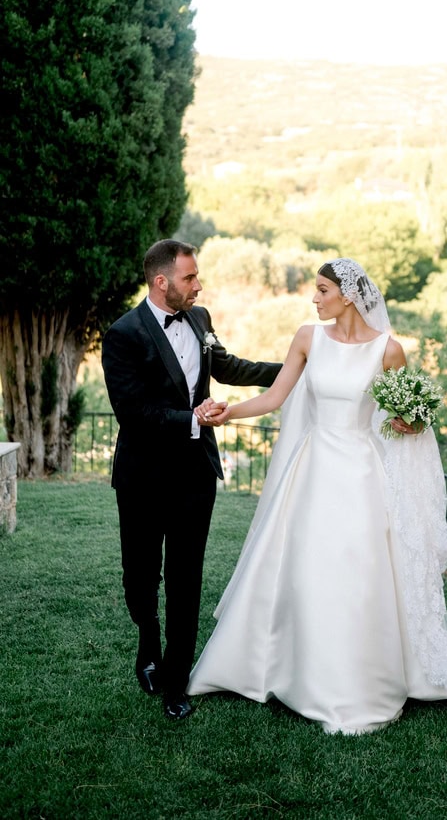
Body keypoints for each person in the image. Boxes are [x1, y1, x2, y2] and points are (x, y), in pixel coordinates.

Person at [187, 257, 447, 734]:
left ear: (348, 295)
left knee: (359, 572)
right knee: (306, 568)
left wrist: (409, 421)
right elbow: (274, 398)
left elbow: (400, 419)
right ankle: (291, 668)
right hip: (312, 471)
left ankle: (359, 682)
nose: (315, 298)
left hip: (363, 476)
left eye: (323, 290)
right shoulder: (308, 338)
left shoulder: (389, 351)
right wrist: (225, 413)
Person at [101, 239, 281, 721]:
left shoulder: (200, 320)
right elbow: (134, 413)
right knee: (141, 574)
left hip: (194, 474)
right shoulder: (123, 334)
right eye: (190, 278)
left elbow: (229, 367)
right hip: (142, 477)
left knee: (186, 576)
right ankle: (147, 644)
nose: (198, 285)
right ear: (162, 282)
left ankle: (178, 678)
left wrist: (297, 370)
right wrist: (194, 419)